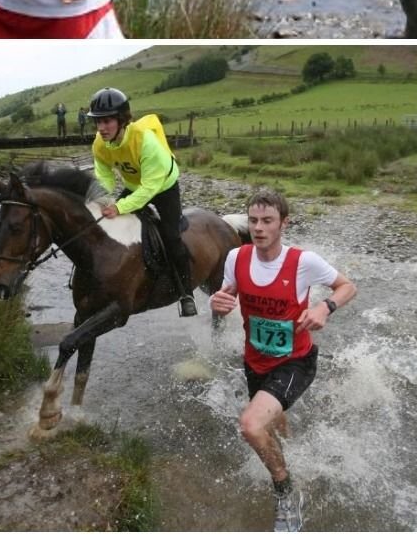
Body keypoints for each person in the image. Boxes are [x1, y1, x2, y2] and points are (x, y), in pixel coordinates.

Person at [209, 188, 357, 532]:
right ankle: (292, 453)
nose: (258, 228)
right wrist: (220, 300)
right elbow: (227, 291)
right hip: (254, 360)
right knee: (272, 423)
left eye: (267, 221)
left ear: (283, 223)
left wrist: (324, 306)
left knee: (250, 425)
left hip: (296, 361)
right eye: (253, 220)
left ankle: (286, 492)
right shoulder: (236, 257)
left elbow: (348, 286)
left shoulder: (303, 262)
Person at [88, 86, 197, 317]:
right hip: (135, 185)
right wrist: (102, 199)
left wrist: (119, 207)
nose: (101, 128)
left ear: (121, 120)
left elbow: (150, 189)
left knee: (171, 236)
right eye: (98, 122)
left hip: (163, 186)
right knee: (111, 225)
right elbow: (105, 175)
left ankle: (186, 293)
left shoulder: (145, 141)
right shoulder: (99, 143)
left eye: (107, 121)